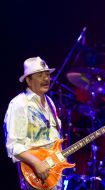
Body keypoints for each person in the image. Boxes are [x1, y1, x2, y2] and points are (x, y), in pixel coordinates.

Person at [3, 57, 62, 190]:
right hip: (34, 175)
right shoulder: (19, 103)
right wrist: (36, 163)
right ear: (29, 81)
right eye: (40, 76)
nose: (46, 79)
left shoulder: (50, 102)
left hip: (54, 173)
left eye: (47, 75)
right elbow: (13, 145)